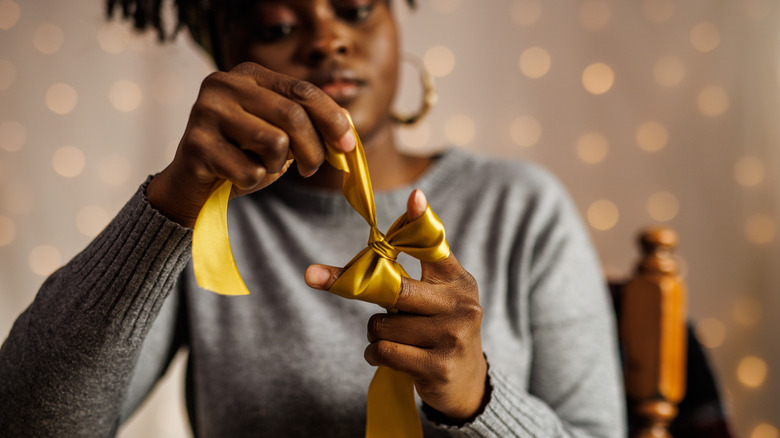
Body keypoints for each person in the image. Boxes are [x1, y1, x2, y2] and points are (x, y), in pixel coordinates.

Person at [0, 1, 625, 436]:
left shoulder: (524, 207)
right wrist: (171, 204)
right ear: (227, 51)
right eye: (277, 25)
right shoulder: (209, 227)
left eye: (355, 9)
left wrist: (474, 401)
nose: (327, 40)